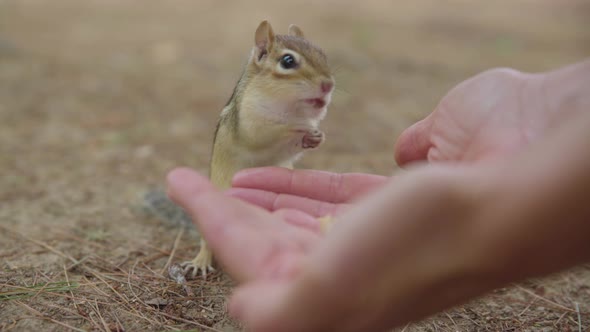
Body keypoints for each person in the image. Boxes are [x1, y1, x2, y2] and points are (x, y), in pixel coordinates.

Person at [166, 58, 590, 332]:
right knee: (222, 192)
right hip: (237, 160)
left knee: (262, 190)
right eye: (293, 65)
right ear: (261, 59)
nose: (324, 84)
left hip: (272, 169)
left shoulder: (292, 105)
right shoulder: (252, 104)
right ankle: (206, 251)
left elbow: (282, 146)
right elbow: (254, 136)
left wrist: (300, 139)